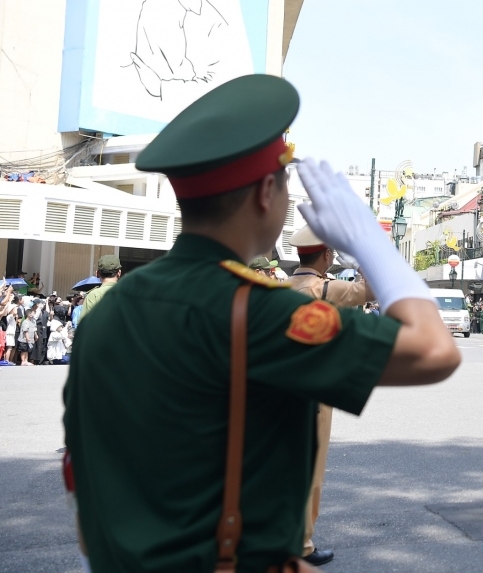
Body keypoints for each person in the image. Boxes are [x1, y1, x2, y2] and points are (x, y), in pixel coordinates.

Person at [62, 74, 461, 572]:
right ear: (265, 193)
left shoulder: (110, 309)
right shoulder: (255, 311)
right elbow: (433, 349)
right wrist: (374, 244)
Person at [286, 223, 377, 566]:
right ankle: (302, 544)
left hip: (279, 386)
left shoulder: (280, 286)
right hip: (314, 392)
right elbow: (370, 290)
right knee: (311, 470)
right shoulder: (326, 289)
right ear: (326, 254)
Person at [78, 255, 122, 323]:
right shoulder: (131, 294)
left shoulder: (93, 295)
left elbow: (84, 325)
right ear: (119, 273)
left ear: (97, 273)